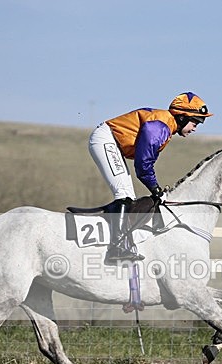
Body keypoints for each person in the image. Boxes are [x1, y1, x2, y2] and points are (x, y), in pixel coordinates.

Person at [88, 92, 213, 263]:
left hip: (113, 143)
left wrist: (155, 188)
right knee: (124, 193)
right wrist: (155, 189)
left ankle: (119, 238)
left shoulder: (165, 126)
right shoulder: (159, 127)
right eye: (196, 121)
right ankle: (116, 247)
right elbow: (143, 165)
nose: (196, 127)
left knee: (128, 196)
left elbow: (145, 164)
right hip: (106, 140)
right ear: (183, 117)